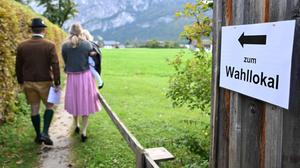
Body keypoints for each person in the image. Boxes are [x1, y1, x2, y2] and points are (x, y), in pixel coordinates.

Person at [16, 18, 61, 145]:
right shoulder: (50, 45)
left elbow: (18, 65)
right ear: (43, 30)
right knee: (50, 106)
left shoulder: (22, 45)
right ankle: (45, 133)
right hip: (46, 81)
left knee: (34, 108)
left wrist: (20, 81)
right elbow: (55, 64)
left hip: (28, 82)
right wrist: (57, 82)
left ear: (31, 29)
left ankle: (38, 136)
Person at [62, 23, 101, 142]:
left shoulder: (64, 46)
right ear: (81, 32)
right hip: (85, 77)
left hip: (72, 77)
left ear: (70, 32)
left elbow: (66, 61)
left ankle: (76, 124)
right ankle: (84, 132)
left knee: (75, 100)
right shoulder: (87, 44)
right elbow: (93, 58)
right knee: (85, 101)